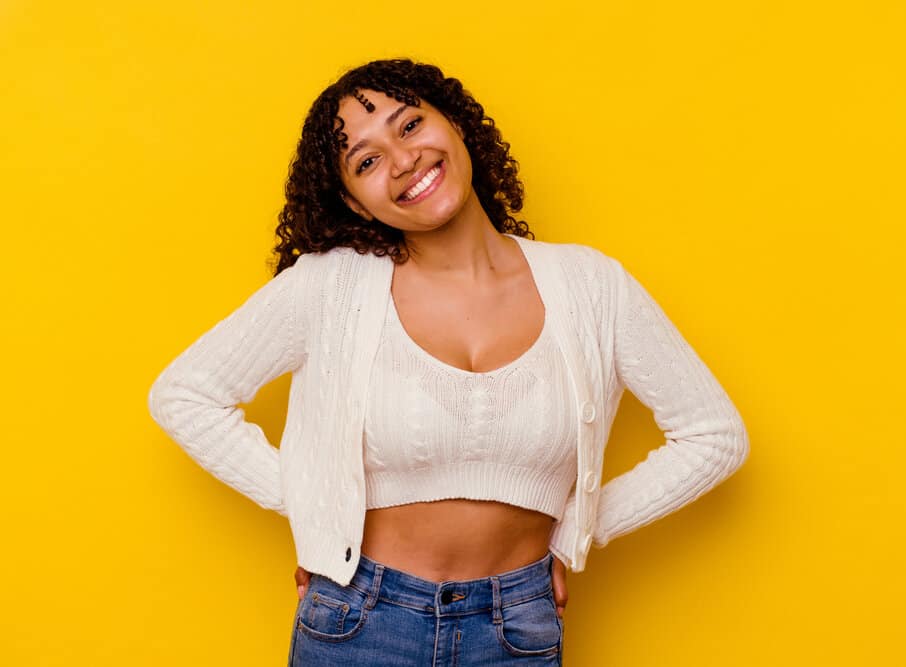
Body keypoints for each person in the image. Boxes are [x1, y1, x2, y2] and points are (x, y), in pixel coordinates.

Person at [148, 58, 750, 666]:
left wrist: (576, 533)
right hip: (358, 623)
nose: (403, 160)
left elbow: (714, 437)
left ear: (457, 125)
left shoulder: (592, 286)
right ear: (356, 204)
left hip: (518, 629)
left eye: (409, 127)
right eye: (366, 160)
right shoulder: (331, 289)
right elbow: (186, 396)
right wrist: (317, 509)